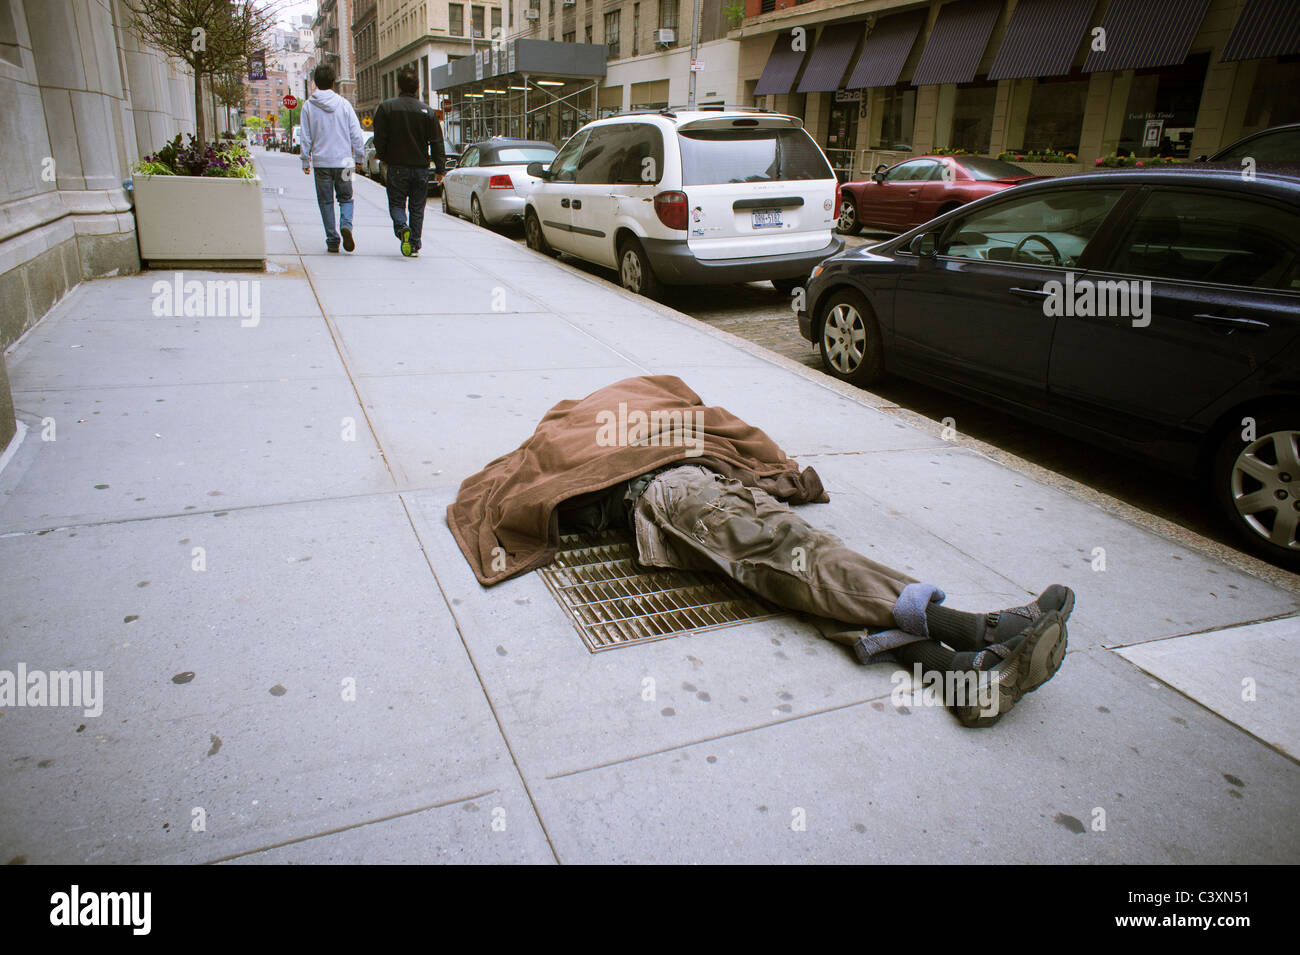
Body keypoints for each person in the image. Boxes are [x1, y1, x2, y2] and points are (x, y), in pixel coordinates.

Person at [447, 375, 1074, 728]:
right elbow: (539, 474)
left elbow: (710, 419)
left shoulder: (618, 406)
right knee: (786, 549)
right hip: (668, 489)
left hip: (687, 488)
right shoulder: (580, 421)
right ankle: (974, 627)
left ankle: (955, 674)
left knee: (782, 572)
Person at [372, 66, 446, 258]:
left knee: (397, 205)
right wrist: (440, 168)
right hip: (420, 168)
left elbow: (379, 137)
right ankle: (414, 245)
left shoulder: (386, 108)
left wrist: (383, 156)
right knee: (417, 207)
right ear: (417, 86)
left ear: (398, 85)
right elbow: (437, 141)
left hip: (396, 167)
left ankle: (402, 227)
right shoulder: (427, 112)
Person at [299, 64, 365, 253]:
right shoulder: (344, 104)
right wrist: (359, 157)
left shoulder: (308, 106)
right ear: (334, 82)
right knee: (347, 198)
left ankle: (332, 240)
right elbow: (356, 134)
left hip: (321, 164)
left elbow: (306, 136)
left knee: (325, 201)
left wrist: (305, 160)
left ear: (315, 83)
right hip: (345, 163)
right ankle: (346, 225)